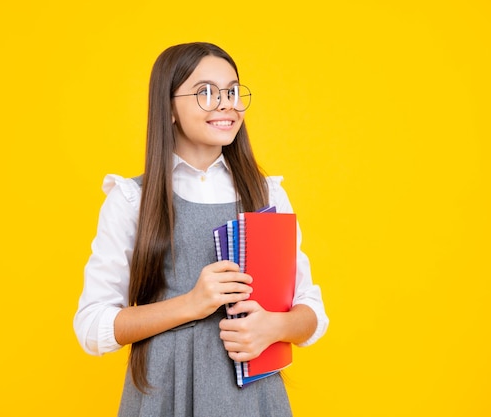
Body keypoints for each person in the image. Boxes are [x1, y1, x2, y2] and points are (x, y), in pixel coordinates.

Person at [73, 42, 329, 416]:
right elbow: (92, 327)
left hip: (254, 400)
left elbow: (312, 313)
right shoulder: (131, 200)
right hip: (164, 398)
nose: (226, 104)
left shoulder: (267, 193)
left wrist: (274, 327)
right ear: (169, 108)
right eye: (206, 93)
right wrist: (190, 304)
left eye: (231, 91)